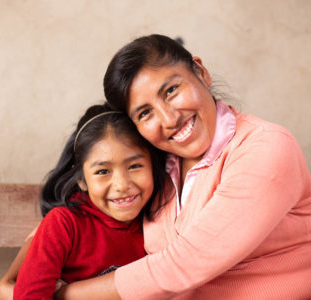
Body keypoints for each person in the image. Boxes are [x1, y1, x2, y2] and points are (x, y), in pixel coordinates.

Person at [52, 34, 311, 299]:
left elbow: (184, 265)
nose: (170, 118)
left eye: (171, 91)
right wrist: (27, 267)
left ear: (201, 72)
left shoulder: (265, 147)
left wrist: (63, 295)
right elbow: (89, 216)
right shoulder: (155, 167)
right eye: (145, 113)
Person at [8, 103, 171, 299]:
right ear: (81, 180)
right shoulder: (63, 224)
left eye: (135, 166)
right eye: (103, 171)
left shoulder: (162, 222)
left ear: (153, 166)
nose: (121, 185)